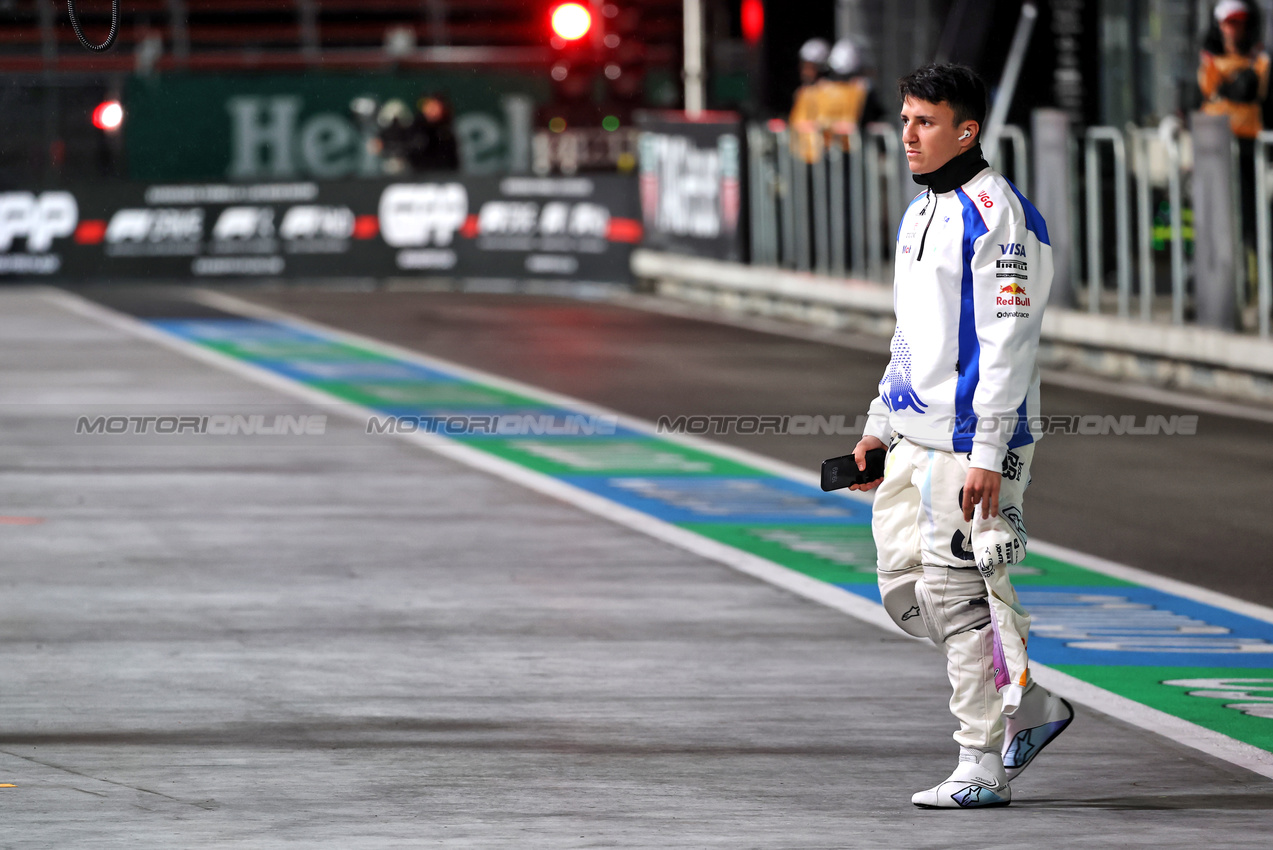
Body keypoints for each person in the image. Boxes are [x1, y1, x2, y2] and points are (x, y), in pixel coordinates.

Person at [848, 64, 1073, 809]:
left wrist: (986, 453)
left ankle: (981, 761)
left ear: (964, 130)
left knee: (956, 594)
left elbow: (1003, 345)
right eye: (905, 119)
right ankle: (1028, 704)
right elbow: (909, 336)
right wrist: (879, 425)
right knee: (904, 588)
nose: (906, 134)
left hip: (971, 441)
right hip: (914, 434)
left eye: (923, 121)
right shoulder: (921, 210)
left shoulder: (998, 214)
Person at [1198, 0, 1270, 280]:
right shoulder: (1209, 62)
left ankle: (1254, 286)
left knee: (1252, 223)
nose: (1234, 30)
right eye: (1229, 23)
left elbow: (1253, 94)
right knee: (1217, 223)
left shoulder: (1260, 62)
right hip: (1214, 153)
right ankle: (1218, 283)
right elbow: (1205, 94)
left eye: (1239, 22)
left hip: (1250, 152)